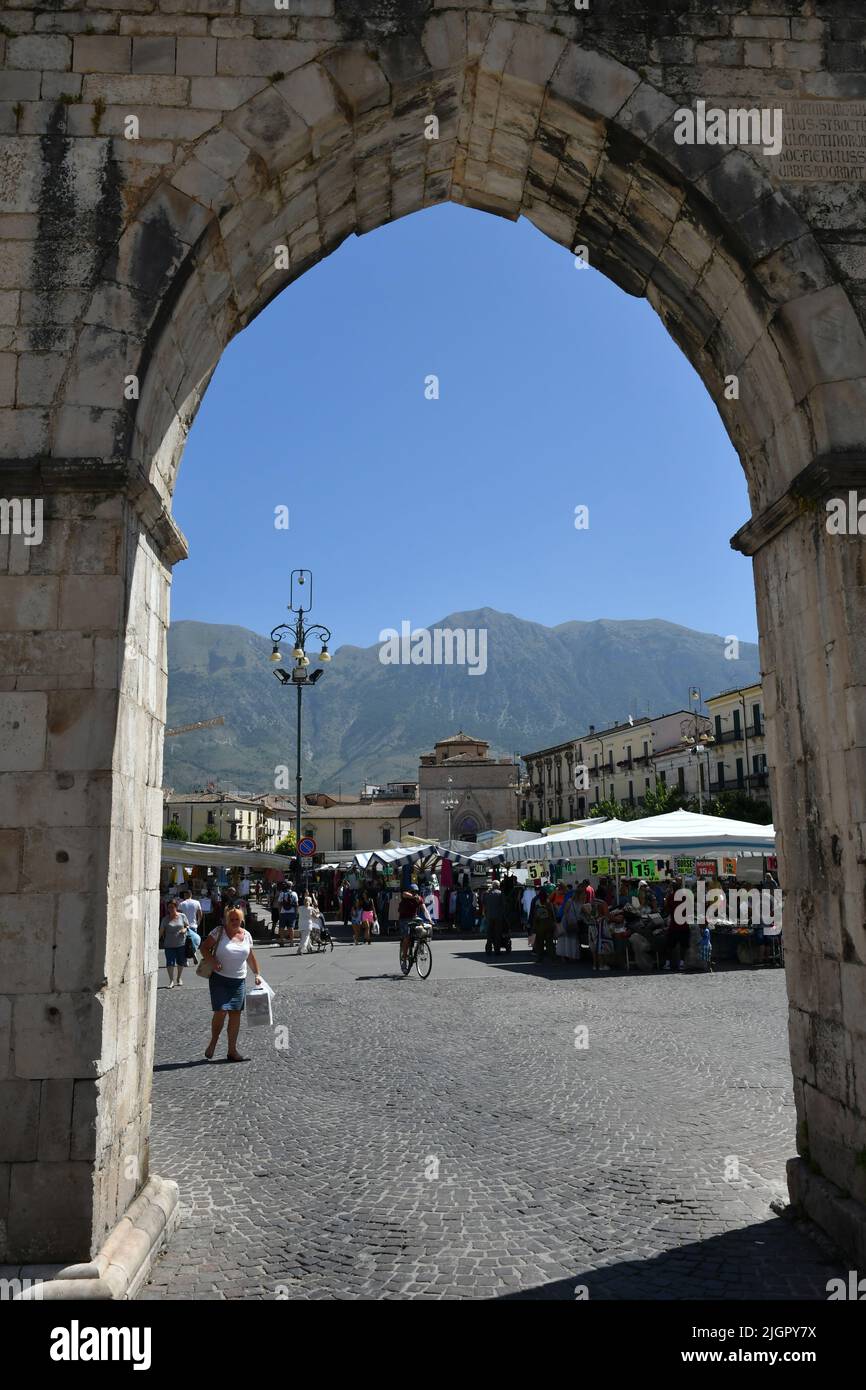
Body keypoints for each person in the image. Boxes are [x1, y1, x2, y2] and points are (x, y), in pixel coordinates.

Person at [201, 908, 262, 1062]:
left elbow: (250, 957)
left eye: (237, 919)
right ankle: (213, 1042)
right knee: (221, 1011)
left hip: (238, 980)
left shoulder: (246, 935)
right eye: (231, 919)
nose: (234, 922)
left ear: (242, 920)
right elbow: (204, 948)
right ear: (226, 920)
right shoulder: (218, 932)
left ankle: (232, 1050)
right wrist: (212, 962)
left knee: (235, 1014)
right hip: (219, 979)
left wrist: (257, 974)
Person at [399, 885, 431, 969]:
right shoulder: (406, 896)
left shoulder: (419, 899)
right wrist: (413, 897)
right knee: (407, 938)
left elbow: (425, 910)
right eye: (413, 891)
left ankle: (421, 946)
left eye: (416, 892)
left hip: (413, 918)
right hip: (404, 918)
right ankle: (404, 960)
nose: (415, 893)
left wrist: (430, 919)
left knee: (422, 929)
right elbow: (404, 893)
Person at [159, 898, 189, 988]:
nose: (170, 909)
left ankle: (179, 978)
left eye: (172, 907)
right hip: (169, 944)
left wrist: (185, 929)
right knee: (170, 963)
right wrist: (156, 942)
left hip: (181, 944)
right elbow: (161, 931)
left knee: (180, 962)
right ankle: (171, 981)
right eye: (169, 908)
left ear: (176, 907)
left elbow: (187, 925)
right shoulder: (165, 919)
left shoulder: (182, 916)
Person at [530, 886, 557, 964]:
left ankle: (540, 958)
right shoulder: (549, 903)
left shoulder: (537, 902)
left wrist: (533, 926)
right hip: (549, 924)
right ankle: (552, 958)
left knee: (539, 942)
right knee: (550, 943)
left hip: (540, 925)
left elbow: (534, 915)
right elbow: (553, 913)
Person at [483, 879, 506, 952]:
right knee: (497, 933)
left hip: (489, 916)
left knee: (489, 933)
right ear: (498, 886)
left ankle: (489, 948)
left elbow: (484, 903)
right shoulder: (500, 893)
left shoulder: (487, 893)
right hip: (498, 916)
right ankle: (497, 949)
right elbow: (503, 905)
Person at [277, 882, 298, 946]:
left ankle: (282, 942)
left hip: (283, 913)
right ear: (291, 887)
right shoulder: (294, 893)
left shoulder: (282, 893)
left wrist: (279, 912)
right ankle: (291, 942)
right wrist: (296, 913)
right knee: (291, 928)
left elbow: (279, 904)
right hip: (292, 913)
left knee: (282, 927)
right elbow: (296, 904)